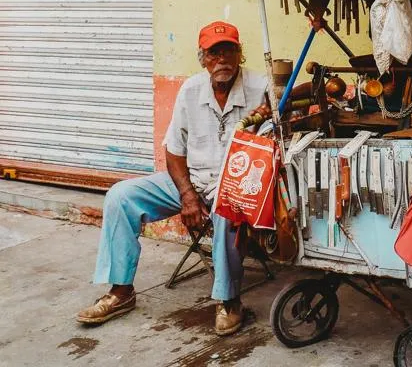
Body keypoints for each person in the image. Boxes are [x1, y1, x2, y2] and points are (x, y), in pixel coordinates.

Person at [77, 21, 272, 336]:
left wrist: (278, 105)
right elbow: (174, 150)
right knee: (120, 195)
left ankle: (229, 299)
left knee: (226, 208)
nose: (221, 59)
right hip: (192, 179)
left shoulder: (260, 86)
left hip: (236, 185)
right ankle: (121, 291)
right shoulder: (191, 90)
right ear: (202, 59)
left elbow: (296, 95)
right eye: (213, 53)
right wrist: (187, 196)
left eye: (228, 51)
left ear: (240, 54)